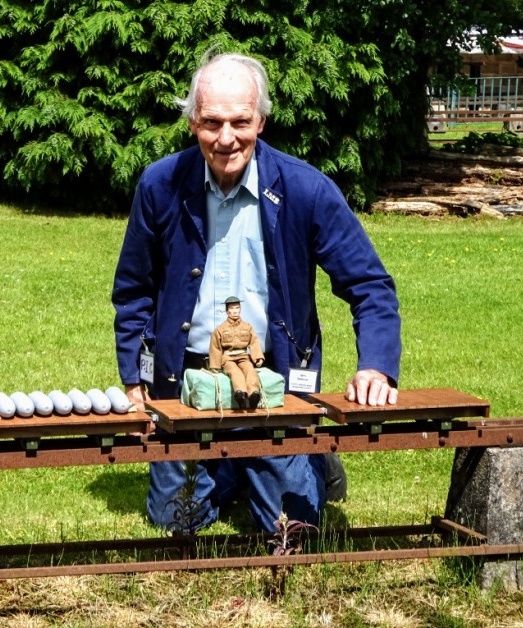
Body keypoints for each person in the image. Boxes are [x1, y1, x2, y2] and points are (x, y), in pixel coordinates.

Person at [111, 52, 401, 533]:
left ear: (261, 121)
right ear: (192, 123)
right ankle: (236, 466)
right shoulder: (160, 185)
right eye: (211, 123)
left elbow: (369, 284)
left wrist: (375, 365)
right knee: (175, 522)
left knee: (293, 526)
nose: (226, 138)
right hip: (186, 384)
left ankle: (308, 464)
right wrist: (135, 378)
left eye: (240, 121)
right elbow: (134, 291)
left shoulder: (307, 189)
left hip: (277, 384)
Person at [208, 296, 264, 409]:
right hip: (228, 358)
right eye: (232, 309)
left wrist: (258, 357)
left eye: (237, 308)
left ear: (240, 309)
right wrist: (215, 365)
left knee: (249, 369)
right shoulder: (220, 329)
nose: (235, 311)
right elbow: (215, 347)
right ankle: (240, 394)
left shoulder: (247, 327)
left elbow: (254, 342)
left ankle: (254, 394)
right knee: (235, 372)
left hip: (243, 356)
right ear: (227, 311)